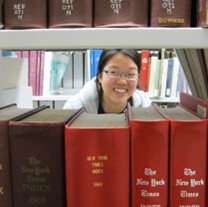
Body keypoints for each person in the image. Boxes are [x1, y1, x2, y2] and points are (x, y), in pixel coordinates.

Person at [63, 49, 151, 113]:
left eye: (130, 74)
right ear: (100, 76)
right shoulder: (73, 109)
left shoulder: (147, 109)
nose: (122, 81)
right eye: (114, 72)